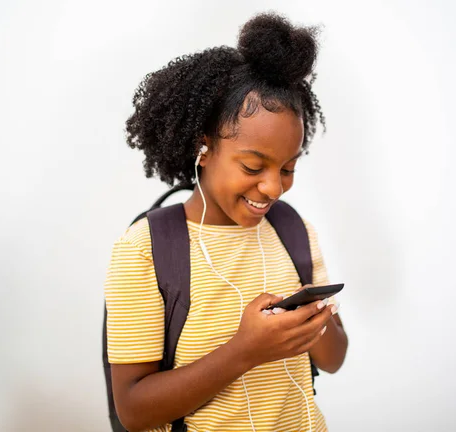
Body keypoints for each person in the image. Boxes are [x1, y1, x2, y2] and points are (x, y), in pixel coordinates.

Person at [104, 12, 348, 432]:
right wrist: (244, 351)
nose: (274, 188)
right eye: (254, 166)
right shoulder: (147, 248)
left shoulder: (293, 232)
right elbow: (133, 409)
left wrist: (313, 323)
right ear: (204, 148)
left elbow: (334, 359)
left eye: (287, 168)